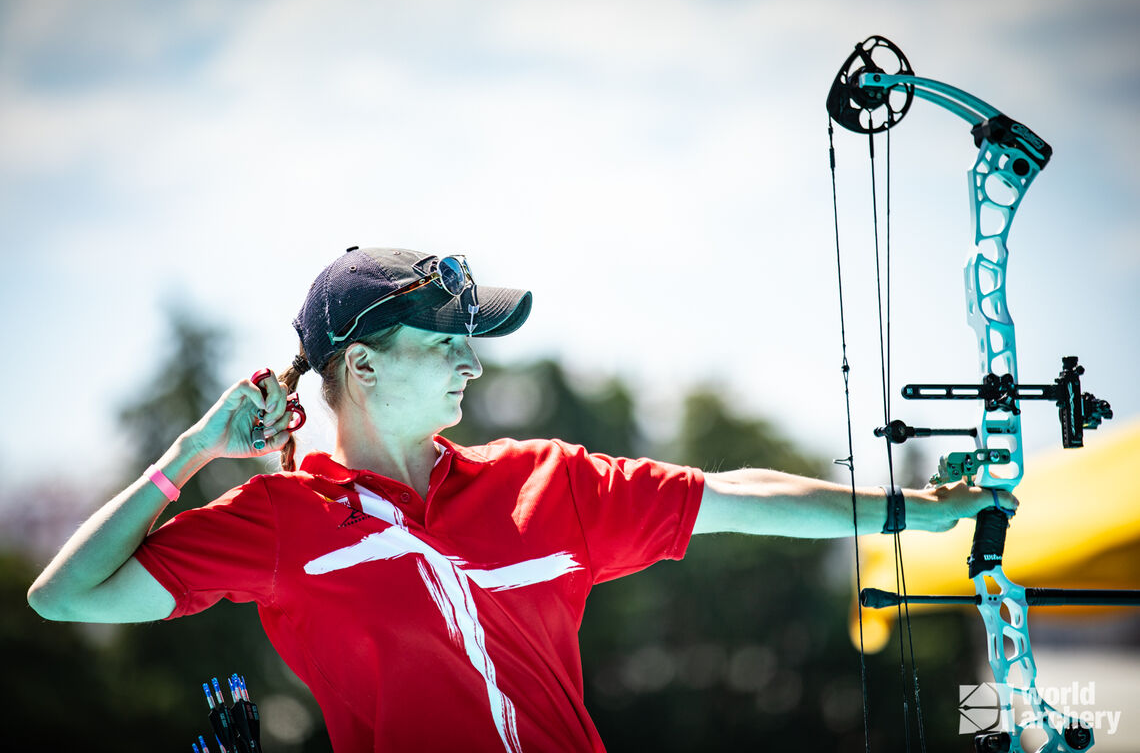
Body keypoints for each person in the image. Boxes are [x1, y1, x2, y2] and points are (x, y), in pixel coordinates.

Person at [27, 247, 1014, 752]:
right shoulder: (281, 523)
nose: (471, 358)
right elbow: (66, 596)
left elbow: (734, 493)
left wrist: (908, 509)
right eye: (443, 339)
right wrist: (192, 455)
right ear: (361, 366)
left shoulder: (549, 483)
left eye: (473, 335)